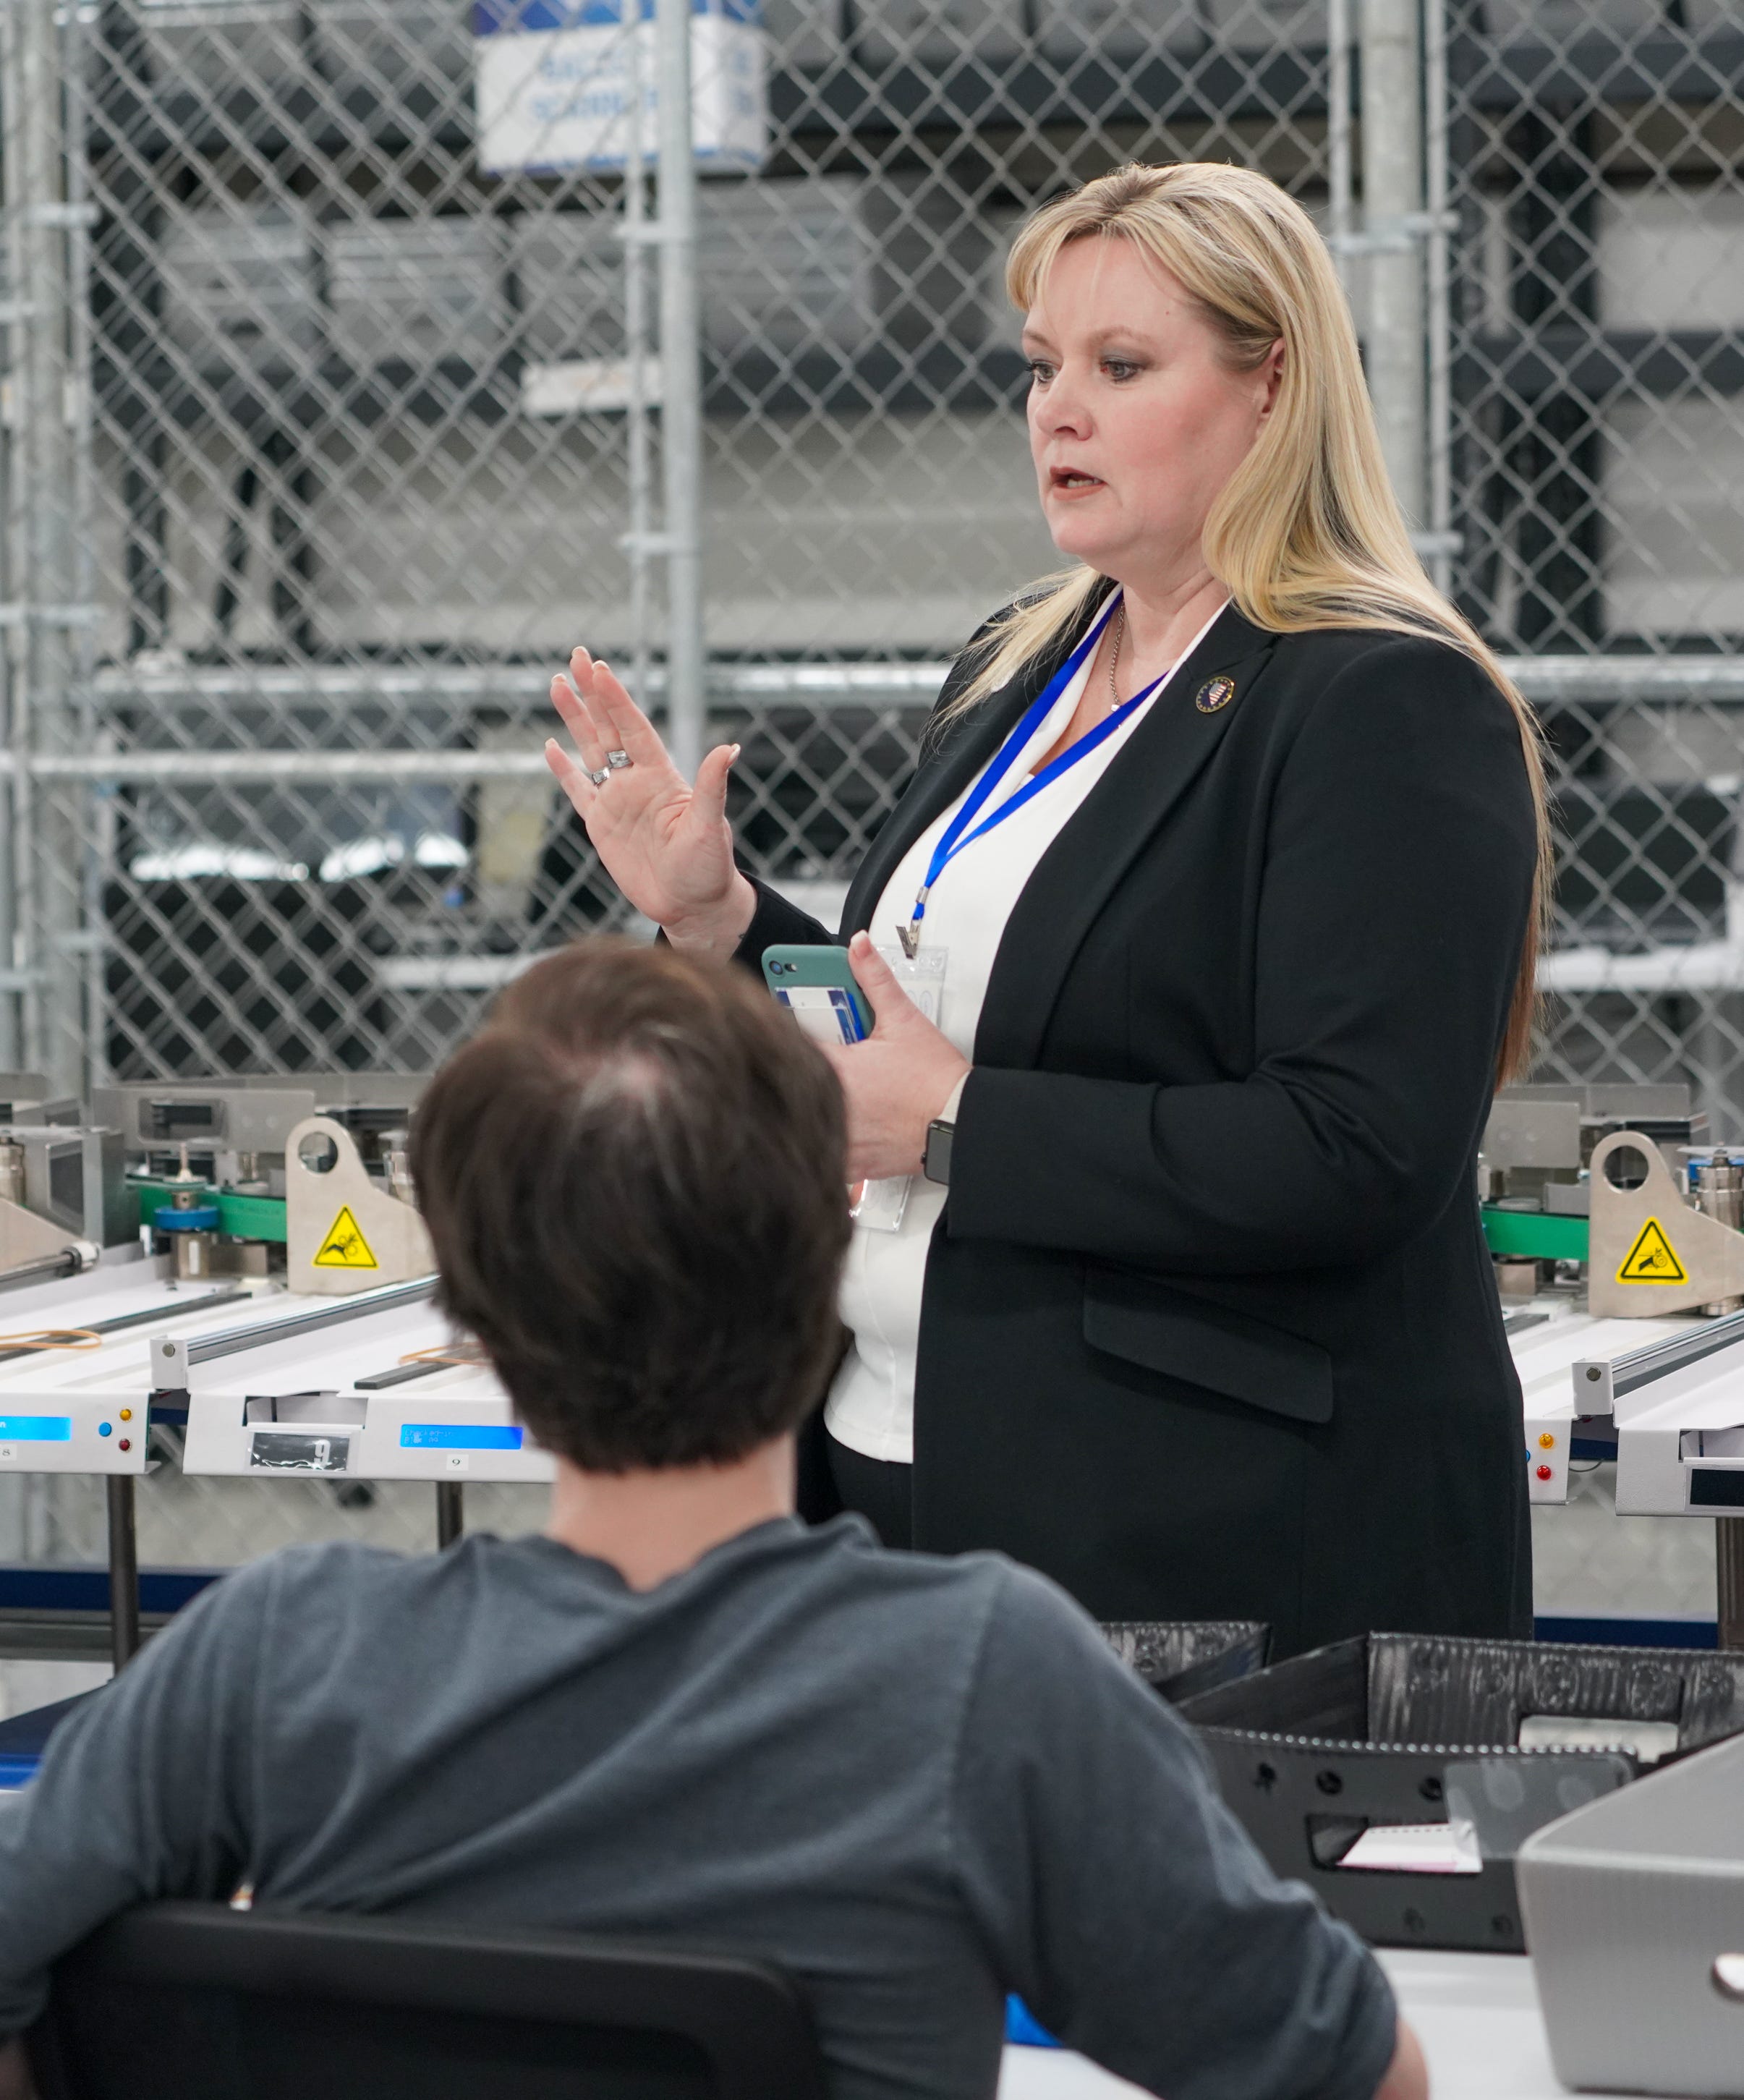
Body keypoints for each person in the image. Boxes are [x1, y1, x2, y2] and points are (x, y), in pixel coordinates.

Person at [0, 940, 1424, 2100]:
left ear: (475, 1329)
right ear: (826, 1279)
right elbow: (1361, 2081)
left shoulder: (274, 1657)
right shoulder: (981, 1682)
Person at [543, 160, 1547, 1654]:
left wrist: (955, 1127)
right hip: (897, 1457)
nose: (1056, 409)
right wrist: (727, 920)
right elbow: (917, 1023)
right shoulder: (1021, 666)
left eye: (1121, 367)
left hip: (1200, 1517)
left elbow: (1355, 1151)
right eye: (1043, 366)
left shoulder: (1377, 697)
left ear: (1273, 388)